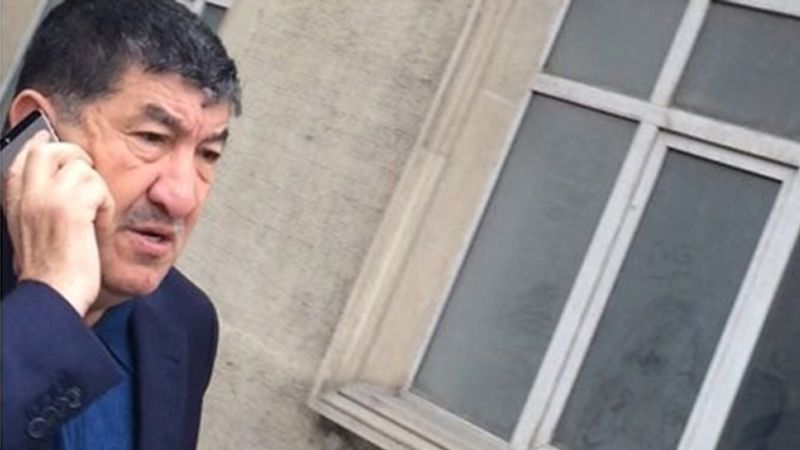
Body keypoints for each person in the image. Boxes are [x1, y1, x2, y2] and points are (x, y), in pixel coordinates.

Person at [1, 1, 241, 449]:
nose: (182, 197)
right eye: (151, 138)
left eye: (208, 154)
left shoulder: (185, 321)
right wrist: (51, 300)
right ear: (38, 131)